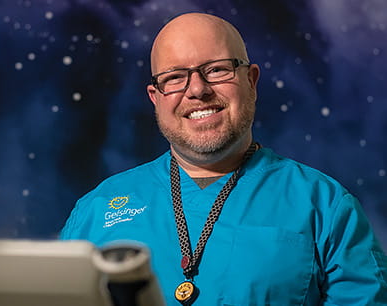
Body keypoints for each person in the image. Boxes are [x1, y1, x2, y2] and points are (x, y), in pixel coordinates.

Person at [60, 12, 387, 305]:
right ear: (155, 98)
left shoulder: (326, 207)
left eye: (216, 70)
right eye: (174, 77)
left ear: (251, 81)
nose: (197, 90)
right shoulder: (96, 210)